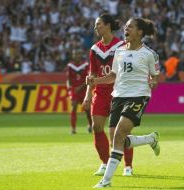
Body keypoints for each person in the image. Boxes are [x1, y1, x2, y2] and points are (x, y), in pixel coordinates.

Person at [87, 17, 161, 188]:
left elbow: (155, 77)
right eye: (126, 27)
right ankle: (150, 139)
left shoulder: (149, 54)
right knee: (117, 140)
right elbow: (113, 76)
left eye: (131, 27)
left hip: (138, 96)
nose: (126, 29)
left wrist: (153, 83)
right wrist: (95, 81)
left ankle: (106, 181)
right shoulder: (119, 51)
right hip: (119, 96)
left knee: (120, 133)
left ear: (140, 32)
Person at [82, 13, 134, 177]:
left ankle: (128, 166)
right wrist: (87, 96)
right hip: (101, 92)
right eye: (95, 24)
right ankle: (105, 163)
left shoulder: (122, 46)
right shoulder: (94, 49)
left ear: (108, 25)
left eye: (98, 24)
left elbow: (125, 71)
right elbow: (92, 74)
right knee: (97, 127)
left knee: (122, 131)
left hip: (119, 91)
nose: (95, 27)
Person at [66, 49, 92, 134]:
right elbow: (68, 79)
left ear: (81, 55)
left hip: (84, 90)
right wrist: (69, 88)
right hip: (74, 90)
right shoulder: (70, 65)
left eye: (78, 54)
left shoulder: (86, 65)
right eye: (75, 54)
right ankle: (73, 129)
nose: (76, 56)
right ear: (73, 55)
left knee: (87, 110)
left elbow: (88, 78)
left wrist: (80, 87)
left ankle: (90, 126)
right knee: (73, 107)